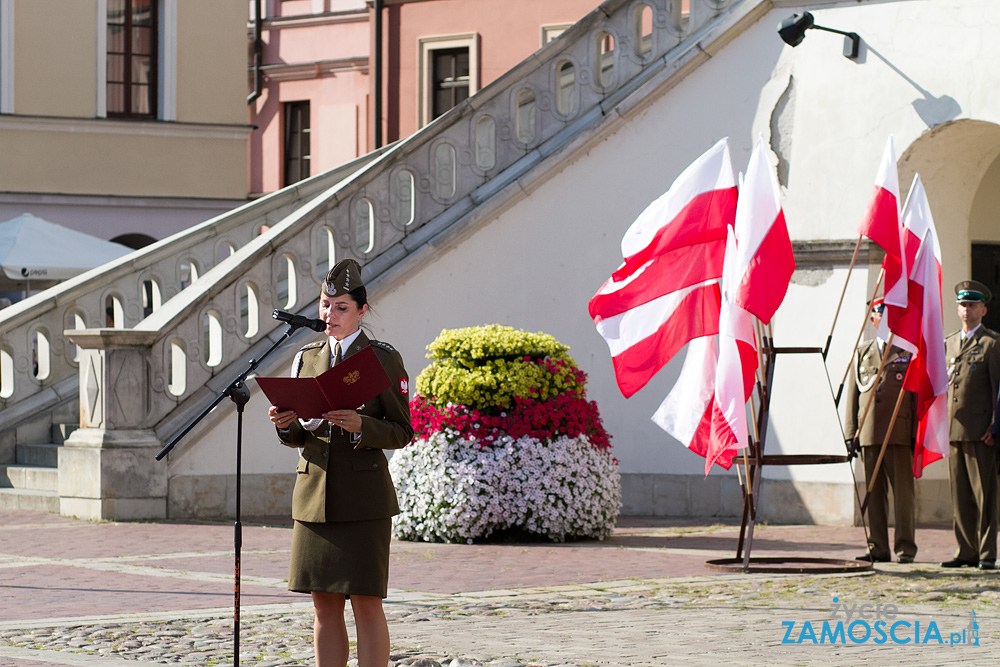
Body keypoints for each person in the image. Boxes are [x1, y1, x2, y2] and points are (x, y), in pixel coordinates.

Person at [268, 258, 413, 666]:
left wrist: (361, 424)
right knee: (323, 606)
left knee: (367, 604)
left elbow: (403, 431)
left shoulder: (382, 360)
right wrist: (284, 425)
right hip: (314, 498)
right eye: (324, 304)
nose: (329, 315)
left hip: (364, 500)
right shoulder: (307, 357)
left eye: (341, 307)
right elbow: (299, 436)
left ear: (362, 310)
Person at [845, 299, 917, 564]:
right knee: (873, 494)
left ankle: (905, 548)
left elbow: (915, 396)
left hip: (898, 432)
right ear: (872, 318)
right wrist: (850, 434)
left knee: (903, 496)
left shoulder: (907, 352)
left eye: (887, 312)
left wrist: (915, 433)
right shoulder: (862, 353)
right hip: (869, 433)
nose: (882, 316)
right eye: (877, 312)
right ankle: (878, 547)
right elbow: (853, 397)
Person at [941, 280, 1000, 570]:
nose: (967, 310)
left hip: (982, 432)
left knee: (985, 495)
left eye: (972, 305)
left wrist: (996, 425)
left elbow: (999, 388)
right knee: (961, 495)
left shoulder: (992, 343)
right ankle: (965, 550)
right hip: (954, 429)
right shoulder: (949, 343)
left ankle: (987, 553)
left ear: (984, 310)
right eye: (963, 305)